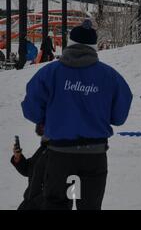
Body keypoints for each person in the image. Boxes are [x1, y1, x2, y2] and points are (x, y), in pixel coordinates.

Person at [21, 19, 133, 210]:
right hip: (95, 155)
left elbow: (31, 109)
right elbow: (119, 116)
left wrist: (45, 120)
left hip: (59, 154)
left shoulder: (49, 73)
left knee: (55, 204)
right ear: (93, 46)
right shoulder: (110, 76)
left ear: (70, 43)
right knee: (90, 206)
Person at [10, 124, 49, 210]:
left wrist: (36, 201)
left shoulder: (59, 152)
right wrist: (18, 158)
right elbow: (30, 170)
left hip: (42, 205)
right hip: (30, 202)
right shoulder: (44, 148)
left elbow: (58, 184)